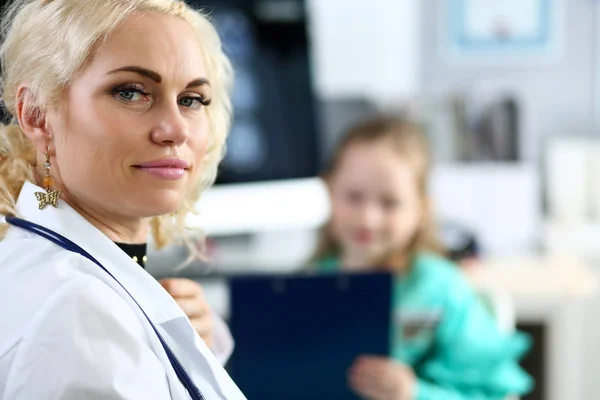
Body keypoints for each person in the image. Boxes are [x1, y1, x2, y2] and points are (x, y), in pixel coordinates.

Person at [0, 0, 246, 398]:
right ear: (37, 115)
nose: (175, 130)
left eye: (191, 99)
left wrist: (179, 342)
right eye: (131, 93)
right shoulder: (81, 314)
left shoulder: (44, 261)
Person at [313, 116, 533, 400]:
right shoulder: (308, 282)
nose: (368, 218)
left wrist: (414, 393)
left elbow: (494, 394)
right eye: (354, 197)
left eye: (389, 202)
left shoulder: (441, 289)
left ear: (421, 209)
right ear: (329, 192)